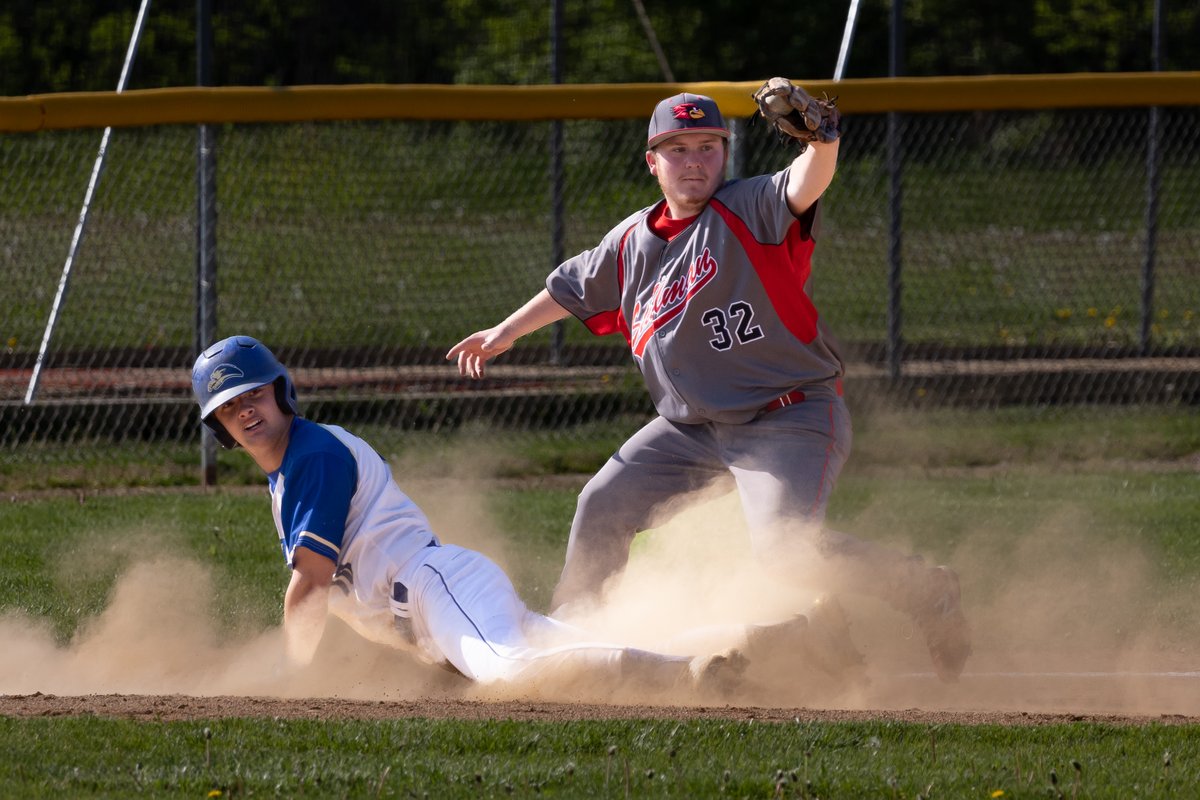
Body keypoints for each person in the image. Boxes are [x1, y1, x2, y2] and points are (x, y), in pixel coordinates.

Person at [447, 85, 972, 682]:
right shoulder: (630, 242)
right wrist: (504, 332)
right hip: (691, 430)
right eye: (678, 149)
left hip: (787, 416)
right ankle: (572, 641)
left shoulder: (751, 208)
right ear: (653, 161)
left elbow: (807, 181)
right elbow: (570, 288)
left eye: (707, 147)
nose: (694, 161)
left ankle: (925, 589)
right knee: (602, 503)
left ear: (726, 153)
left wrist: (823, 141)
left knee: (786, 553)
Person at [190, 334, 857, 699]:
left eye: (254, 396)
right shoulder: (292, 468)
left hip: (433, 587)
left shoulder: (312, 456)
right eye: (229, 408)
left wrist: (290, 674)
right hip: (436, 600)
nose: (246, 412)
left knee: (514, 677)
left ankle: (691, 677)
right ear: (220, 428)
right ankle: (780, 639)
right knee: (581, 645)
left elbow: (310, 584)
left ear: (281, 392)